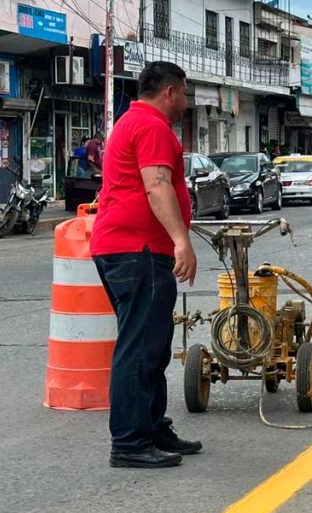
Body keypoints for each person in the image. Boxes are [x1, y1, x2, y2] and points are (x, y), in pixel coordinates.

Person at [89, 61, 200, 468]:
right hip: (138, 250)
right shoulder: (151, 126)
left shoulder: (132, 122)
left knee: (153, 345)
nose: (186, 102)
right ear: (169, 91)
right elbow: (157, 185)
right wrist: (181, 241)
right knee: (139, 347)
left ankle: (152, 427)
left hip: (129, 248)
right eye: (184, 93)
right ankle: (131, 442)